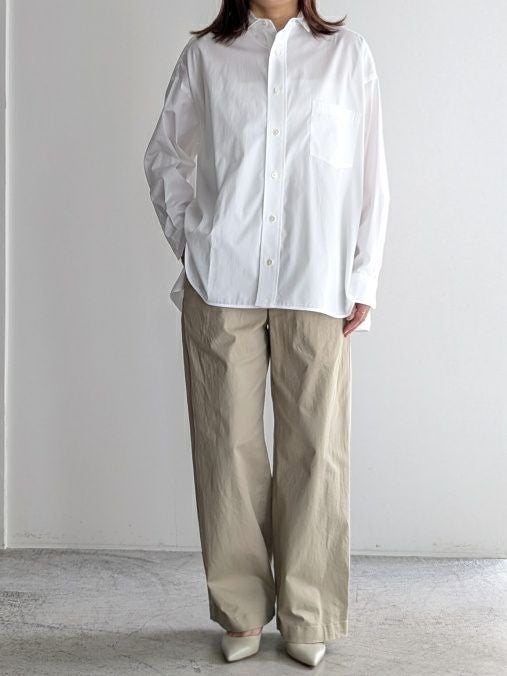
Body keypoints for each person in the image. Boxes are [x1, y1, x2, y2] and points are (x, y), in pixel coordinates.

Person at [143, 0, 390, 667]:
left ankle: (309, 612)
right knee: (226, 448)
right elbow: (166, 156)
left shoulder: (347, 57)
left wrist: (363, 276)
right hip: (222, 284)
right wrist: (192, 242)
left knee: (317, 448)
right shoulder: (206, 57)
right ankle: (242, 610)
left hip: (317, 282)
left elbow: (371, 175)